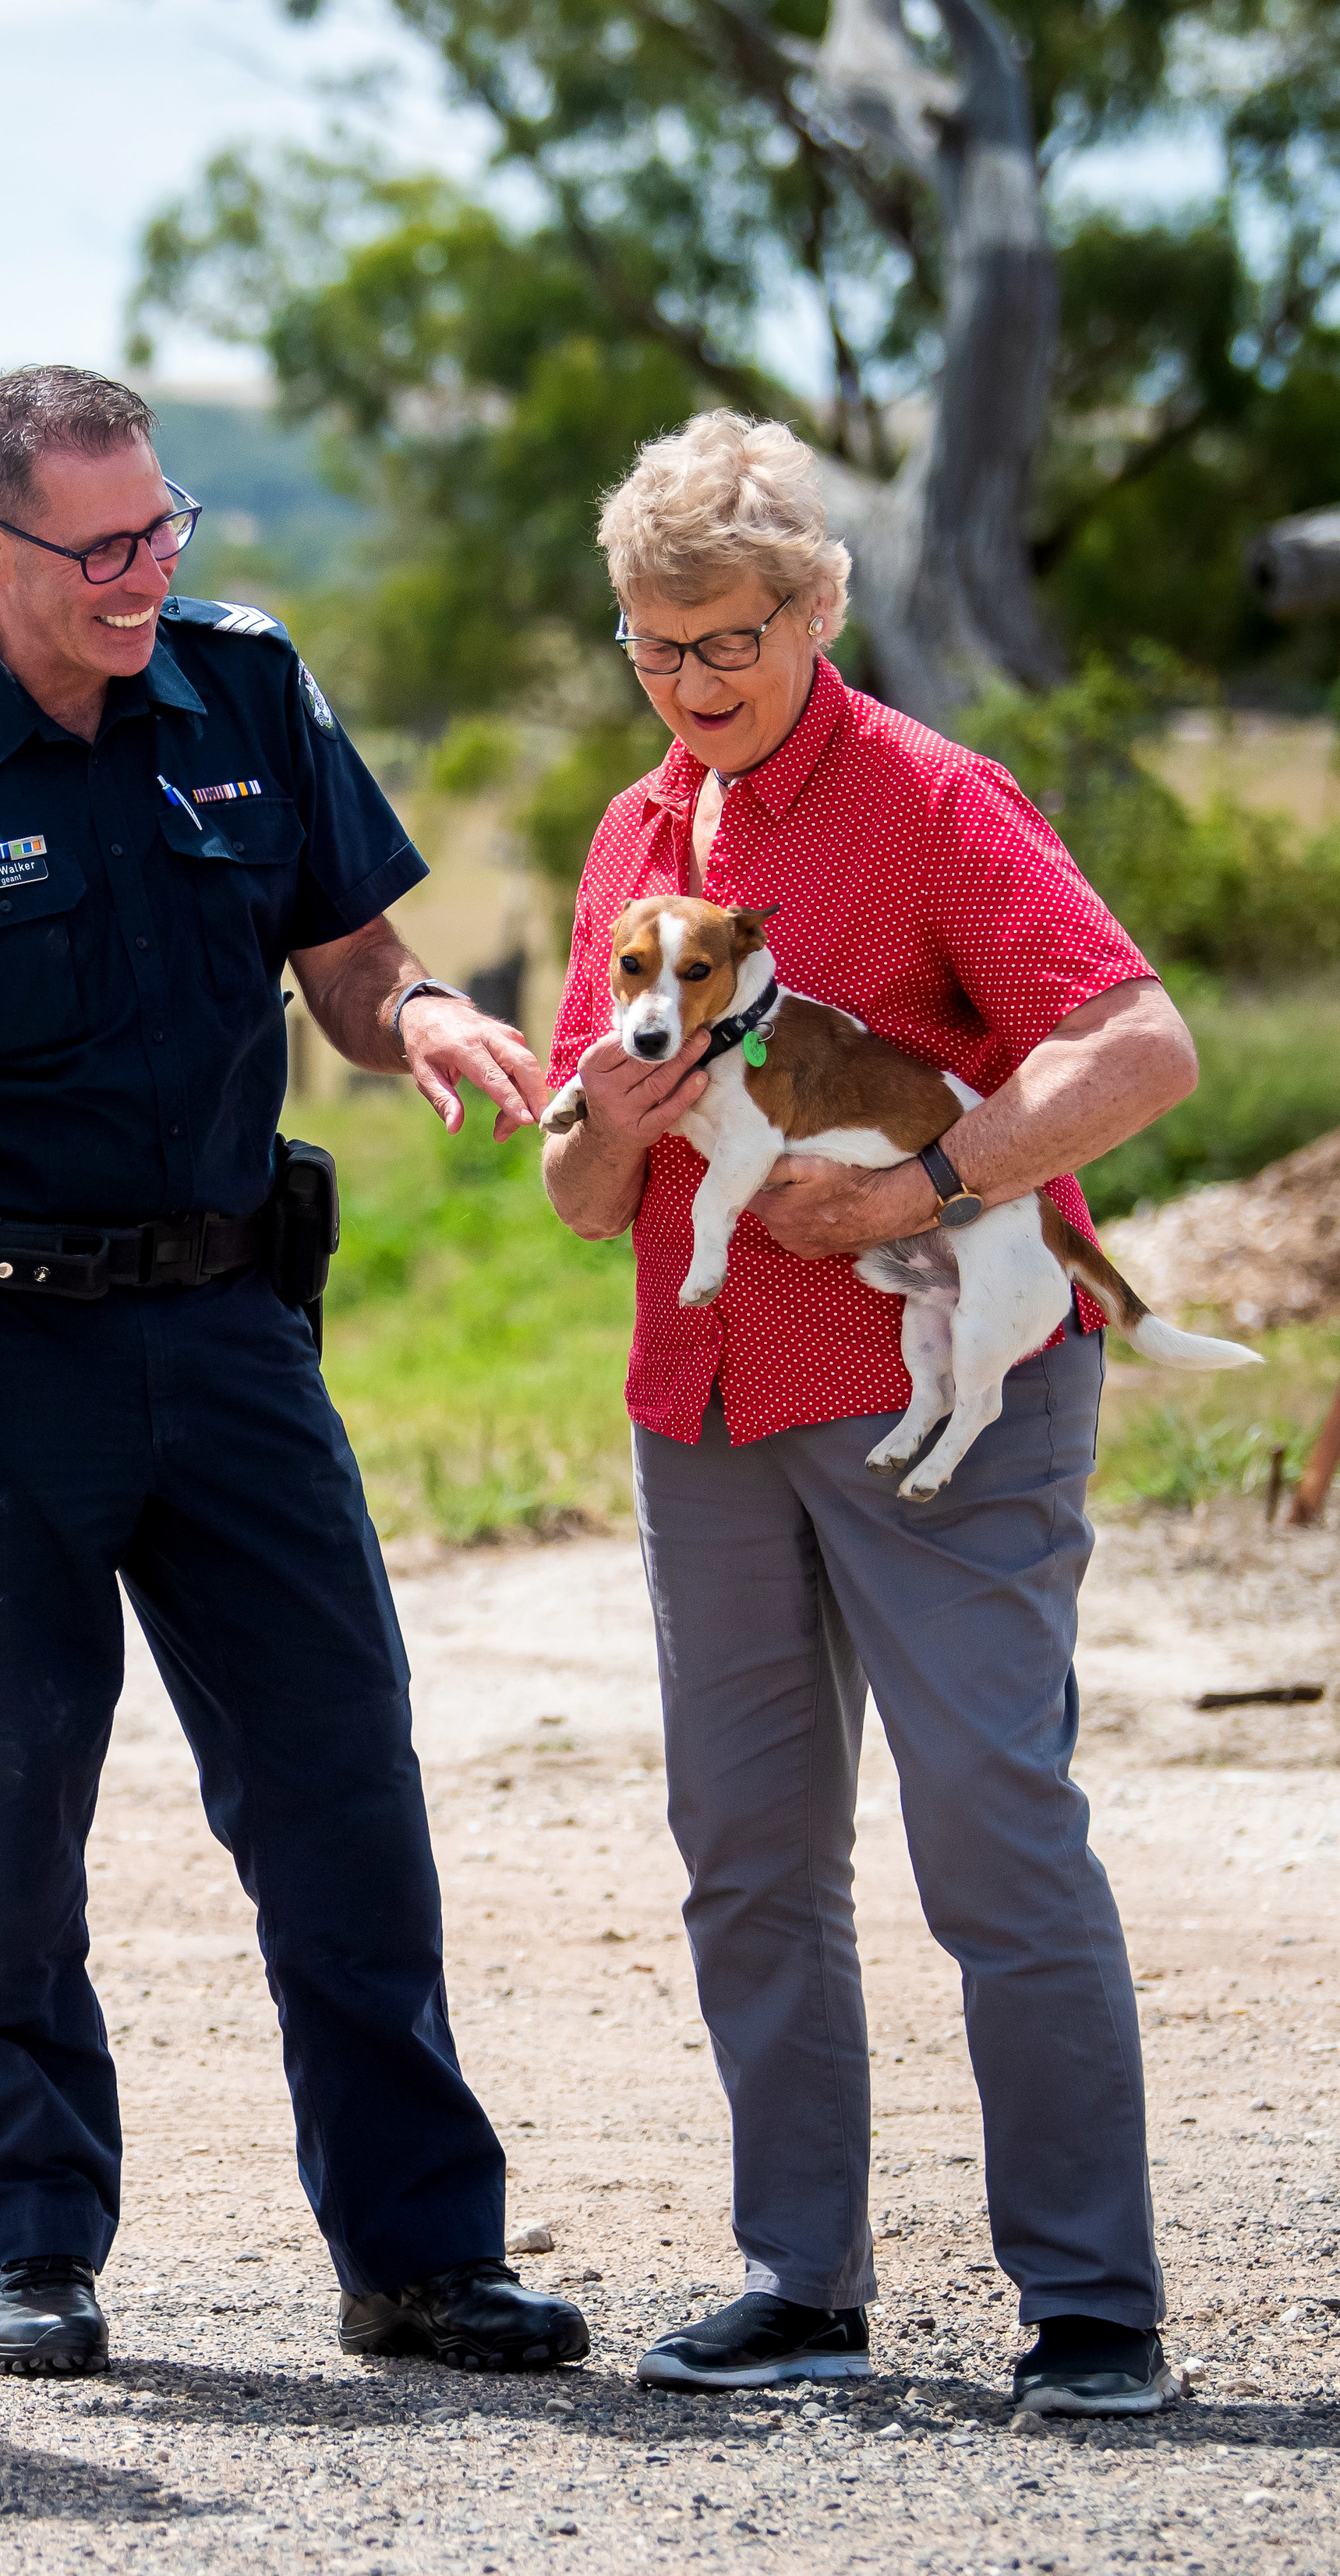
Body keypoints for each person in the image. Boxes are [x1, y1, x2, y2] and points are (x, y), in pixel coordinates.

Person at [0, 365, 589, 2380]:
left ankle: (421, 2255)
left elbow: (349, 959)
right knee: (4, 1823)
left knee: (342, 1796)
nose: (145, 573)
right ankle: (27, 2245)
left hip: (227, 1338)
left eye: (163, 527)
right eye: (100, 547)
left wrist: (428, 1012)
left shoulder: (243, 685)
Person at [541, 411, 1202, 2418]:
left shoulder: (931, 798)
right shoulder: (634, 842)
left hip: (948, 1382)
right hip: (708, 1396)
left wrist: (931, 1188)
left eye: (727, 637)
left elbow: (1138, 1040)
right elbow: (579, 1187)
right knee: (746, 1853)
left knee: (994, 1835)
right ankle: (798, 2282)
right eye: (656, 647)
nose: (691, 683)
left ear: (820, 606)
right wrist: (613, 1130)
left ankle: (1092, 2301)